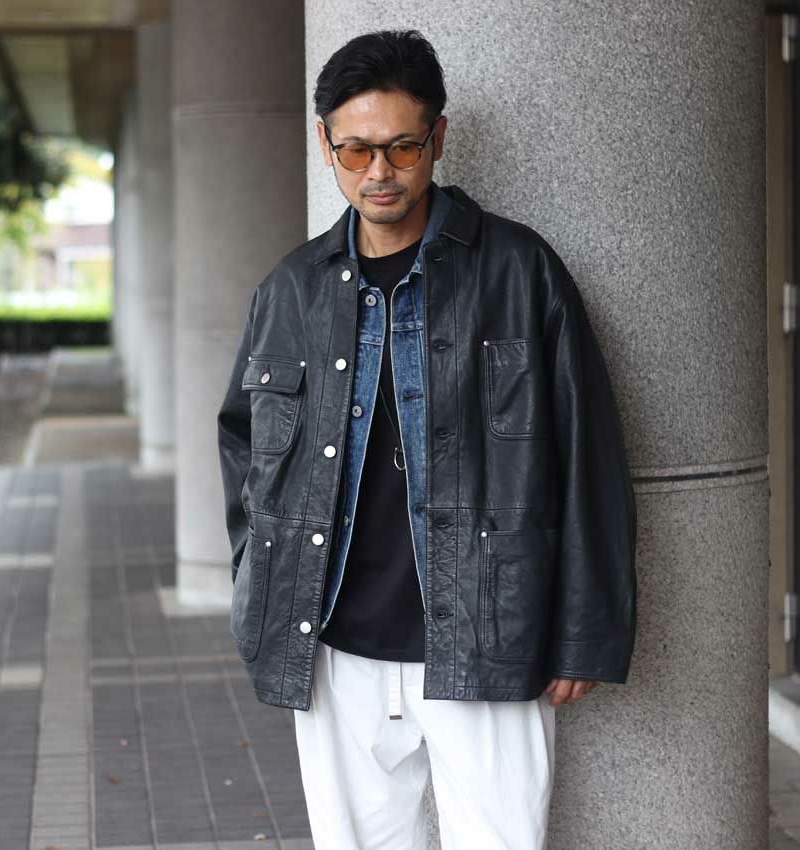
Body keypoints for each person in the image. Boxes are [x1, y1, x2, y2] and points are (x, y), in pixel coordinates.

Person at [217, 28, 637, 850]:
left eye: (402, 147)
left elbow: (590, 454)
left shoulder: (519, 271)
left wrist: (584, 630)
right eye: (357, 150)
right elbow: (243, 454)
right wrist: (258, 585)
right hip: (334, 649)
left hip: (488, 636)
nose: (379, 171)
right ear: (326, 146)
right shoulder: (292, 289)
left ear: (437, 138)